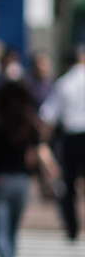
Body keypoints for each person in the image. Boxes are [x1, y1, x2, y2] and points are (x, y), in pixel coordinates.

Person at [0, 80, 60, 257]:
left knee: (0, 231)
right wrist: (52, 170)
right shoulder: (27, 122)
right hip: (21, 182)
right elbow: (40, 150)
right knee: (13, 231)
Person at [39, 45, 85, 241]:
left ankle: (72, 226)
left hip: (71, 137)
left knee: (69, 183)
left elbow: (48, 116)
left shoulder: (64, 83)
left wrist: (43, 141)